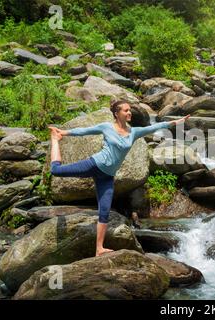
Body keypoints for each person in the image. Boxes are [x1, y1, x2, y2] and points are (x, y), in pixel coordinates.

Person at [48, 100, 190, 256]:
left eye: (130, 110)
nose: (129, 113)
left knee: (104, 211)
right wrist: (63, 133)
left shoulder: (133, 132)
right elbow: (85, 130)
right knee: (56, 171)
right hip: (94, 164)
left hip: (107, 176)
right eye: (126, 110)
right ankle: (54, 140)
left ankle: (99, 248)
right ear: (117, 113)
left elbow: (153, 127)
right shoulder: (107, 127)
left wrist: (174, 122)